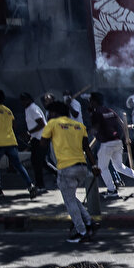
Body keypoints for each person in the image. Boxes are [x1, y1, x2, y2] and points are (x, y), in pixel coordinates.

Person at [41, 101, 100, 243]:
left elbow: (43, 143)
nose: (48, 115)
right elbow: (87, 148)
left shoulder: (53, 123)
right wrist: (94, 166)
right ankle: (89, 222)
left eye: (50, 112)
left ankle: (82, 232)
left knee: (69, 201)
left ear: (54, 112)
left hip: (66, 167)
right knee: (71, 197)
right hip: (82, 167)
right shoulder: (79, 126)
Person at [89, 92, 134, 199]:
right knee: (119, 167)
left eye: (90, 101)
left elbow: (94, 129)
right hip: (117, 142)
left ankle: (112, 190)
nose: (90, 103)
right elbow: (122, 124)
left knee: (102, 168)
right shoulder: (110, 111)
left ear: (94, 102)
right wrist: (126, 137)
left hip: (106, 144)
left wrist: (91, 132)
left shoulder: (96, 113)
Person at [0, 88, 36, 199]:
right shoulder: (8, 110)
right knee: (18, 165)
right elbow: (14, 125)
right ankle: (30, 185)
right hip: (11, 141)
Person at [20, 92, 50, 192]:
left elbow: (42, 124)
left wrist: (30, 132)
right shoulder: (29, 109)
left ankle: (41, 185)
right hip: (36, 138)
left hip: (40, 139)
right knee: (41, 162)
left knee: (37, 162)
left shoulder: (32, 108)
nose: (22, 103)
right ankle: (57, 175)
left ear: (29, 100)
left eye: (24, 100)